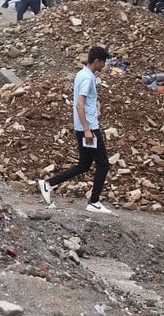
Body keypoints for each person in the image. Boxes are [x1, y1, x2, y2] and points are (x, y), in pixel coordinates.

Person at [37, 46, 113, 214]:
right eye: (103, 62)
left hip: (83, 126)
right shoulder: (87, 78)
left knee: (84, 165)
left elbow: (85, 101)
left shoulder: (82, 74)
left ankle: (49, 184)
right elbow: (80, 103)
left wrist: (95, 107)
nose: (104, 66)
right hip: (89, 128)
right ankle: (94, 201)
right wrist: (87, 129)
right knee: (103, 164)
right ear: (97, 61)